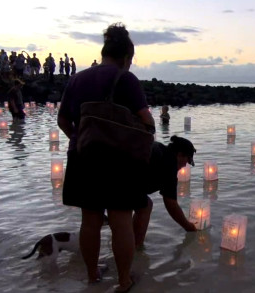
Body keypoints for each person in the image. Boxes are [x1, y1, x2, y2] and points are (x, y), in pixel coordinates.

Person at [58, 22, 155, 292]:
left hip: (83, 157)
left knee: (89, 221)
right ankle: (124, 281)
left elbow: (63, 119)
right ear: (126, 57)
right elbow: (146, 121)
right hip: (119, 161)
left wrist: (81, 141)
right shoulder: (125, 79)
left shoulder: (77, 78)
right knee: (121, 221)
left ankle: (92, 275)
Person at [133, 135, 197, 249]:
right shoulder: (169, 163)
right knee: (145, 206)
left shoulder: (161, 150)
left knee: (142, 204)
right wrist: (189, 227)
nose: (184, 166)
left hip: (114, 172)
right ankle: (135, 246)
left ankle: (128, 240)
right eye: (186, 161)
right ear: (180, 154)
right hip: (120, 180)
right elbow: (170, 203)